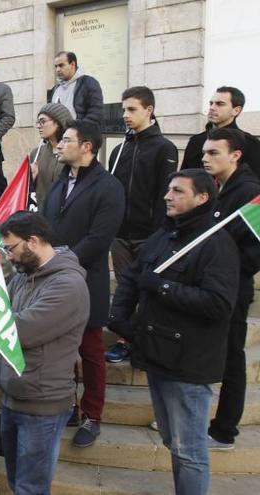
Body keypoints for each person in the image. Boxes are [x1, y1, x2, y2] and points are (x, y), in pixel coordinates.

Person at [109, 169, 238, 495]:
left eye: (178, 191)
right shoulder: (164, 235)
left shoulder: (217, 244)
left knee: (189, 450)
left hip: (189, 366)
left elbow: (218, 304)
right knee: (172, 440)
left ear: (202, 198)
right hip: (156, 355)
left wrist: (163, 286)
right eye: (169, 189)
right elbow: (133, 277)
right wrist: (120, 316)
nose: (168, 196)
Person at [40, 120, 125, 447]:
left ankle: (93, 414)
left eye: (67, 141)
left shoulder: (108, 186)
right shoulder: (60, 182)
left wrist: (62, 263)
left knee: (90, 351)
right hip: (53, 279)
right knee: (62, 350)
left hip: (86, 281)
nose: (59, 146)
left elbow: (100, 237)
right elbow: (47, 226)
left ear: (87, 146)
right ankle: (70, 407)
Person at [0, 212, 90, 495]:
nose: (9, 257)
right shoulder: (25, 275)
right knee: (16, 482)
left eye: (11, 248)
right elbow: (0, 311)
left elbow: (17, 330)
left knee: (31, 487)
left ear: (33, 241)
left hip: (42, 403)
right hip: (15, 394)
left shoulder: (68, 285)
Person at [106, 86, 178, 364]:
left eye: (132, 109)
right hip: (121, 235)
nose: (125, 115)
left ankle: (148, 343)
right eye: (124, 109)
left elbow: (166, 195)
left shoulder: (164, 148)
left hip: (151, 235)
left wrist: (162, 233)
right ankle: (126, 339)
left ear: (149, 110)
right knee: (126, 288)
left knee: (150, 290)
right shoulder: (119, 149)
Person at [201, 128, 260, 450]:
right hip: (208, 287)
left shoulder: (249, 192)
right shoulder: (216, 187)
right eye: (205, 153)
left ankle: (225, 430)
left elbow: (254, 251)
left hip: (232, 290)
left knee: (232, 360)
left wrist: (223, 269)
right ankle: (190, 416)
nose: (205, 158)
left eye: (213, 153)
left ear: (235, 155)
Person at [181, 86, 260, 174]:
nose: (212, 108)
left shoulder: (249, 143)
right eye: (211, 103)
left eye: (220, 104)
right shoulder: (196, 141)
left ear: (236, 110)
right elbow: (184, 176)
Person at [29, 103, 74, 208]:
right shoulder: (36, 153)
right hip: (39, 214)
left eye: (43, 121)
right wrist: (30, 179)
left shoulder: (72, 153)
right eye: (37, 122)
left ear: (58, 122)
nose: (38, 126)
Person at [50, 51, 104, 124]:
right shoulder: (55, 89)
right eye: (56, 66)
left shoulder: (89, 83)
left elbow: (95, 114)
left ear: (72, 64)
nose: (57, 70)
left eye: (61, 65)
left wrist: (77, 131)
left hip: (81, 134)